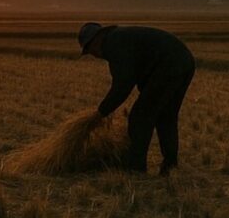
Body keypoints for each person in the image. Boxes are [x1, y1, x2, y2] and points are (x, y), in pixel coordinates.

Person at [78, 22, 195, 174]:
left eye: (89, 48)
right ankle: (170, 166)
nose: (92, 54)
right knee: (166, 117)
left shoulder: (115, 44)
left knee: (140, 117)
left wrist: (101, 112)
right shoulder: (119, 39)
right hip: (184, 61)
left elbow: (123, 84)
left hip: (169, 65)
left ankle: (136, 168)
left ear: (98, 38)